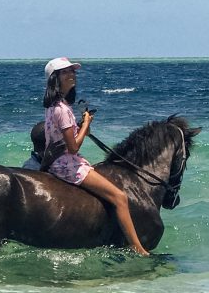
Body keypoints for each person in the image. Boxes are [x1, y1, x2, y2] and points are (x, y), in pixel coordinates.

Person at [41, 56, 149, 256]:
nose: (72, 75)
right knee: (120, 197)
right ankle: (138, 249)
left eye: (73, 71)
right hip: (68, 163)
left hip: (58, 160)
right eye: (66, 72)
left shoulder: (54, 106)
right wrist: (87, 126)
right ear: (55, 78)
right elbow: (73, 147)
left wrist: (82, 126)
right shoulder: (63, 110)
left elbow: (68, 138)